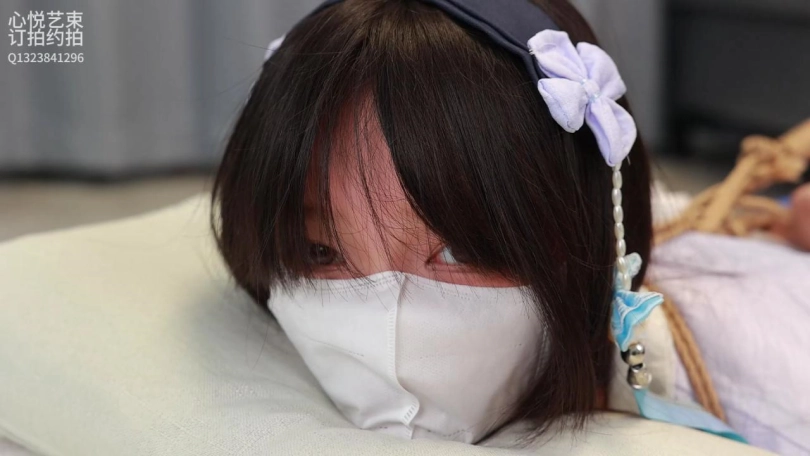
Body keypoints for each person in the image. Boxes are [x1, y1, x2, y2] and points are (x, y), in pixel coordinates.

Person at [209, 0, 764, 448]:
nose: (388, 331)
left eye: (459, 251)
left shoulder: (769, 376)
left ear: (589, 243)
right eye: (320, 252)